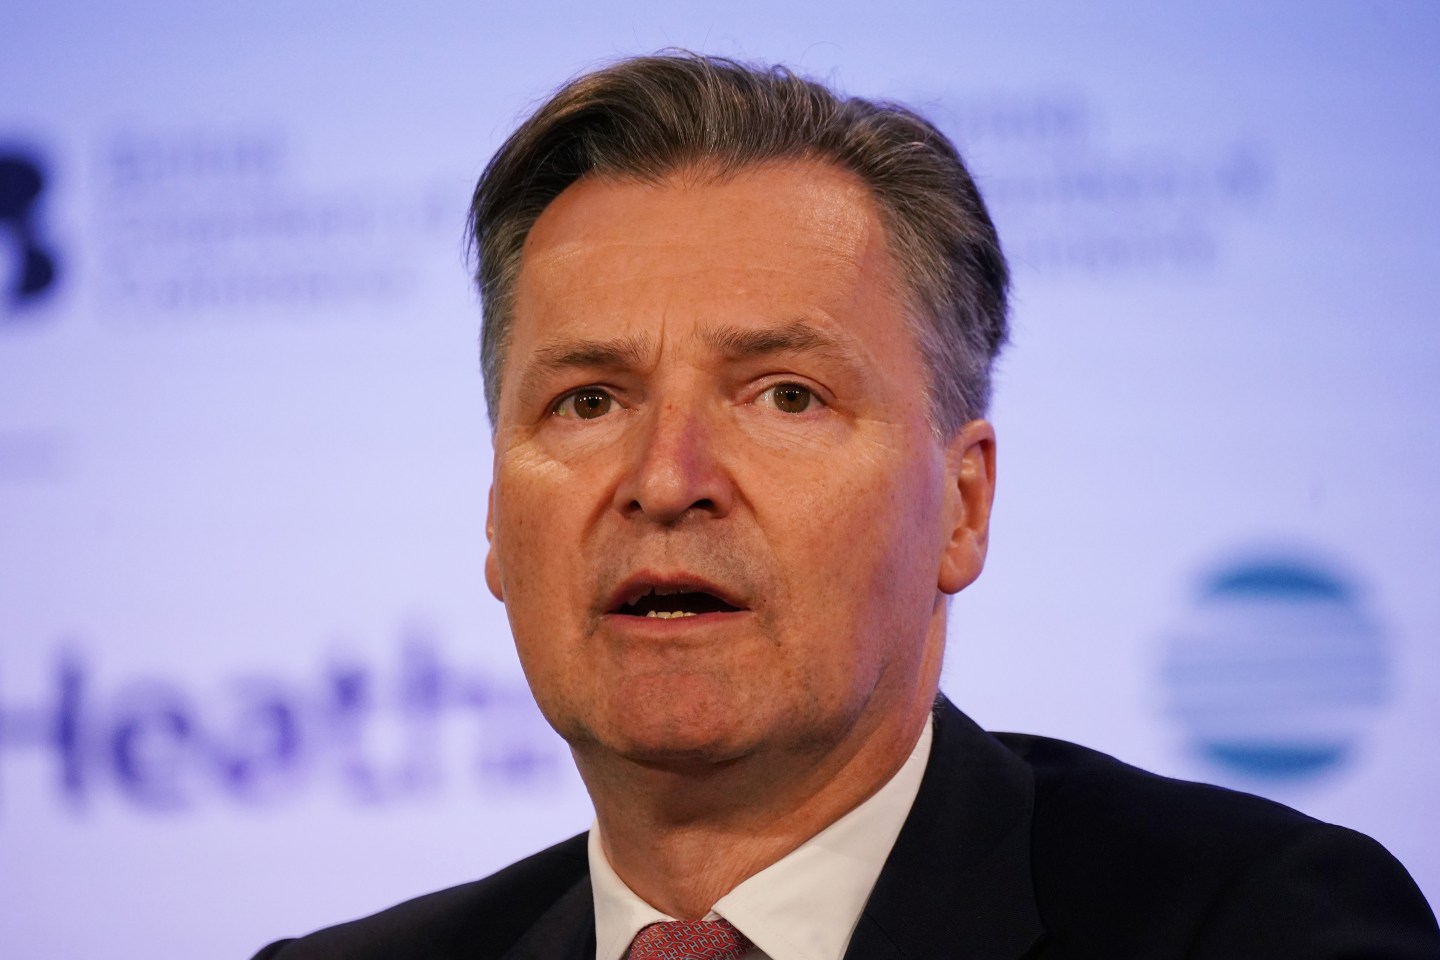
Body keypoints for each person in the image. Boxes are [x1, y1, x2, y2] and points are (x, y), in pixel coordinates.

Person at [252, 52, 1439, 960]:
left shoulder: (1253, 925)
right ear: (498, 518)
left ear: (962, 507)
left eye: (785, 395)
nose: (667, 480)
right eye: (586, 401)